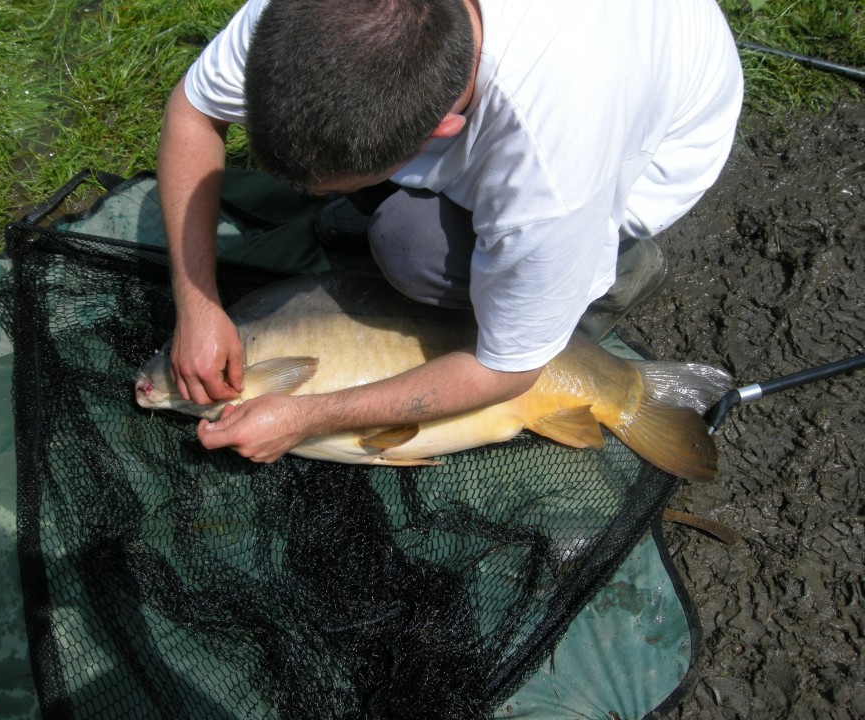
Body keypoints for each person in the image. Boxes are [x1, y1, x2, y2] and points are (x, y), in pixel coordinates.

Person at [156, 0, 744, 463]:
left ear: (442, 132)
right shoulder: (316, 17)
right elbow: (193, 110)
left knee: (412, 246)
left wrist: (307, 417)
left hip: (650, 152)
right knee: (373, 208)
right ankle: (374, 190)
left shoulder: (552, 169)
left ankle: (609, 268)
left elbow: (509, 369)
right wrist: (198, 302)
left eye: (327, 186)